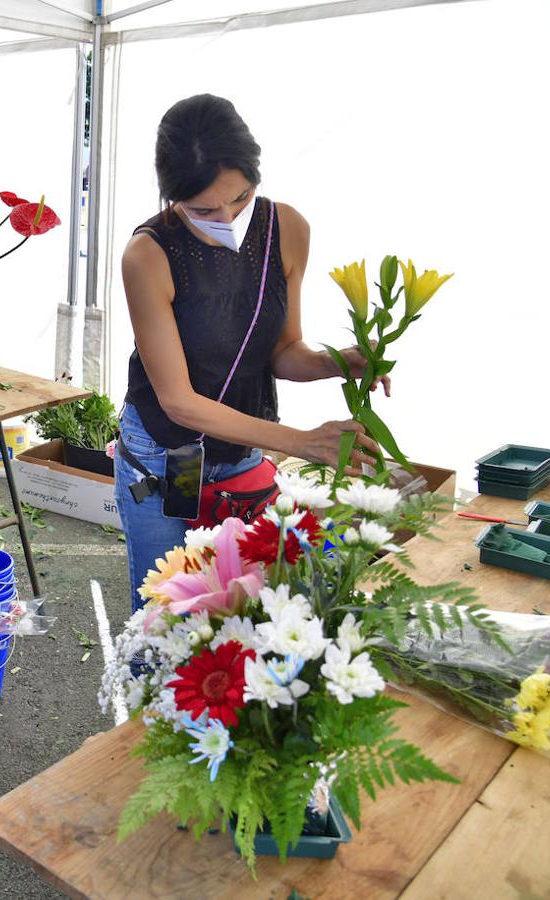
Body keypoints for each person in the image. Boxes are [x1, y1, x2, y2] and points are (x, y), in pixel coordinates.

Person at [117, 94, 386, 612]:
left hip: (238, 452)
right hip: (164, 452)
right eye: (202, 209)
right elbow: (179, 402)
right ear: (171, 196)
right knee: (162, 615)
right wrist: (302, 442)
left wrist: (337, 362)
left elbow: (284, 352)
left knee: (244, 607)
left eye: (240, 198)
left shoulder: (287, 229)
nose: (227, 217)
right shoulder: (147, 255)